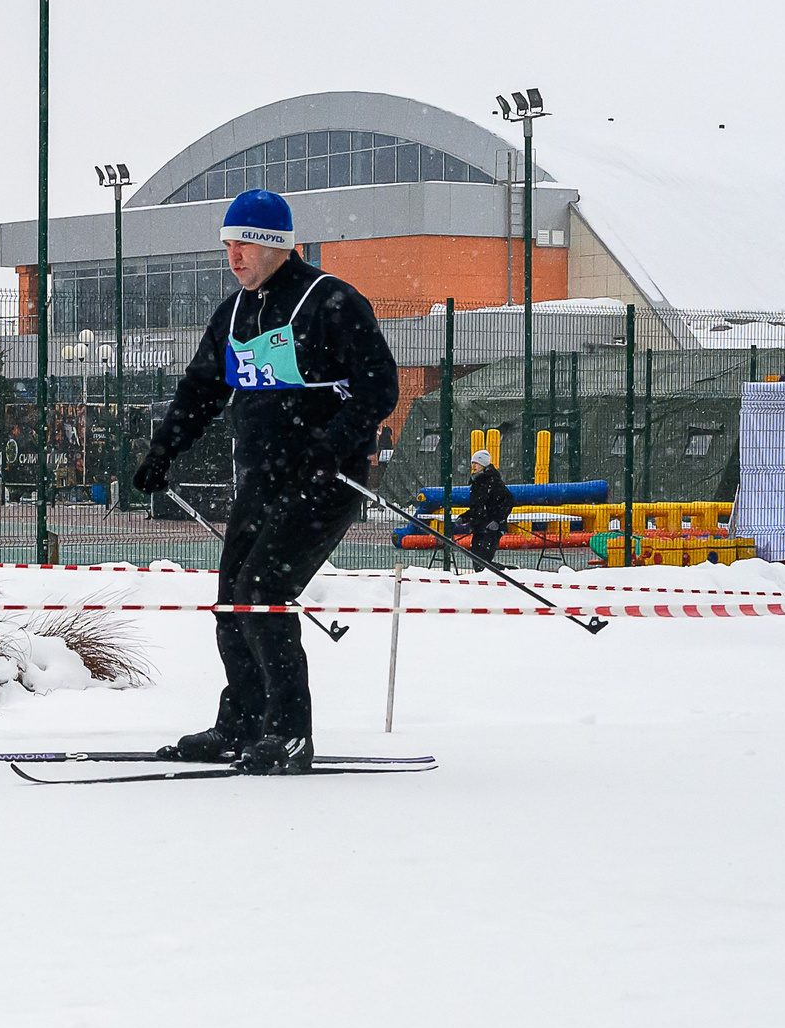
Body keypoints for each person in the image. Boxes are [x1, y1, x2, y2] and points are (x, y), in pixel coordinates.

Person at [131, 189, 399, 775]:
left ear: (278, 245)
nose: (234, 256)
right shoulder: (234, 313)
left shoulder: (329, 301)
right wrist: (162, 451)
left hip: (326, 480)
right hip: (262, 476)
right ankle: (242, 725)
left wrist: (331, 446)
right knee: (232, 599)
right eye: (228, 245)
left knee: (262, 593)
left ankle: (288, 733)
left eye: (245, 243)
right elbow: (202, 390)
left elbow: (380, 388)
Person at [458, 446, 514, 567]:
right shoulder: (477, 482)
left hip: (490, 527)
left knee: (482, 562)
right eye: (472, 463)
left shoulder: (493, 481)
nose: (473, 466)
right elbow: (477, 507)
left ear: (483, 464)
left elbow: (507, 501)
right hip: (480, 526)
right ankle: (505, 572)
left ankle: (509, 572)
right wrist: (465, 517)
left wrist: (497, 521)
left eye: (477, 463)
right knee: (478, 561)